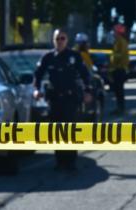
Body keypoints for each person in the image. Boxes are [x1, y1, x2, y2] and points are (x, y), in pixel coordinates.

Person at [33, 29, 92, 171]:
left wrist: (88, 91)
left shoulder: (74, 56)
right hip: (54, 99)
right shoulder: (48, 57)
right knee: (57, 130)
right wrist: (36, 90)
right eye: (57, 39)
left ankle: (71, 161)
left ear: (67, 40)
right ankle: (60, 161)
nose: (60, 41)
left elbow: (85, 75)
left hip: (70, 98)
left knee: (70, 130)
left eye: (62, 38)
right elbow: (38, 75)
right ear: (53, 40)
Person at [109, 24, 129, 115]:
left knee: (119, 90)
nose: (113, 33)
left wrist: (112, 58)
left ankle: (121, 109)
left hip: (119, 69)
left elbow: (120, 55)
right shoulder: (118, 41)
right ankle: (119, 108)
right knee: (117, 91)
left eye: (114, 31)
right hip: (117, 69)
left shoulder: (121, 41)